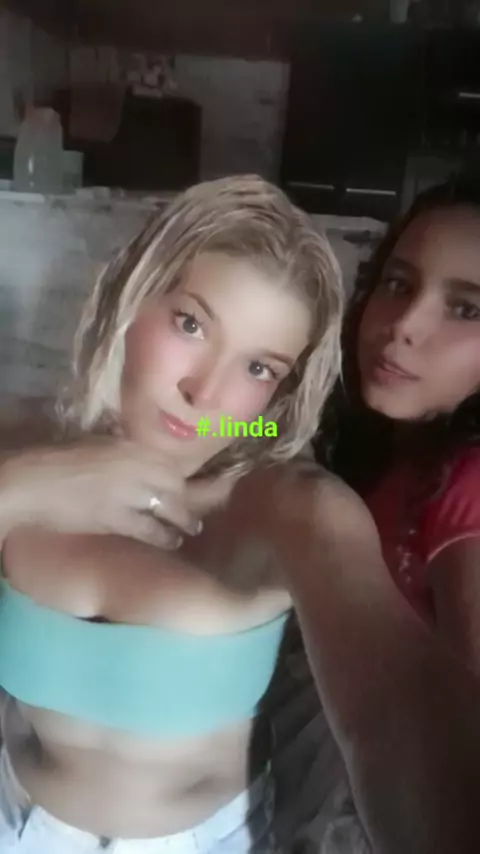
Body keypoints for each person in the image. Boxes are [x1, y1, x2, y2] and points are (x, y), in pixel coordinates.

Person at [0, 174, 344, 853]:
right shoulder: (22, 439)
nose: (205, 392)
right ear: (132, 293)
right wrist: (26, 483)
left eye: (259, 368)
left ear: (280, 396)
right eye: (191, 324)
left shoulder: (279, 504)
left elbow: (395, 700)